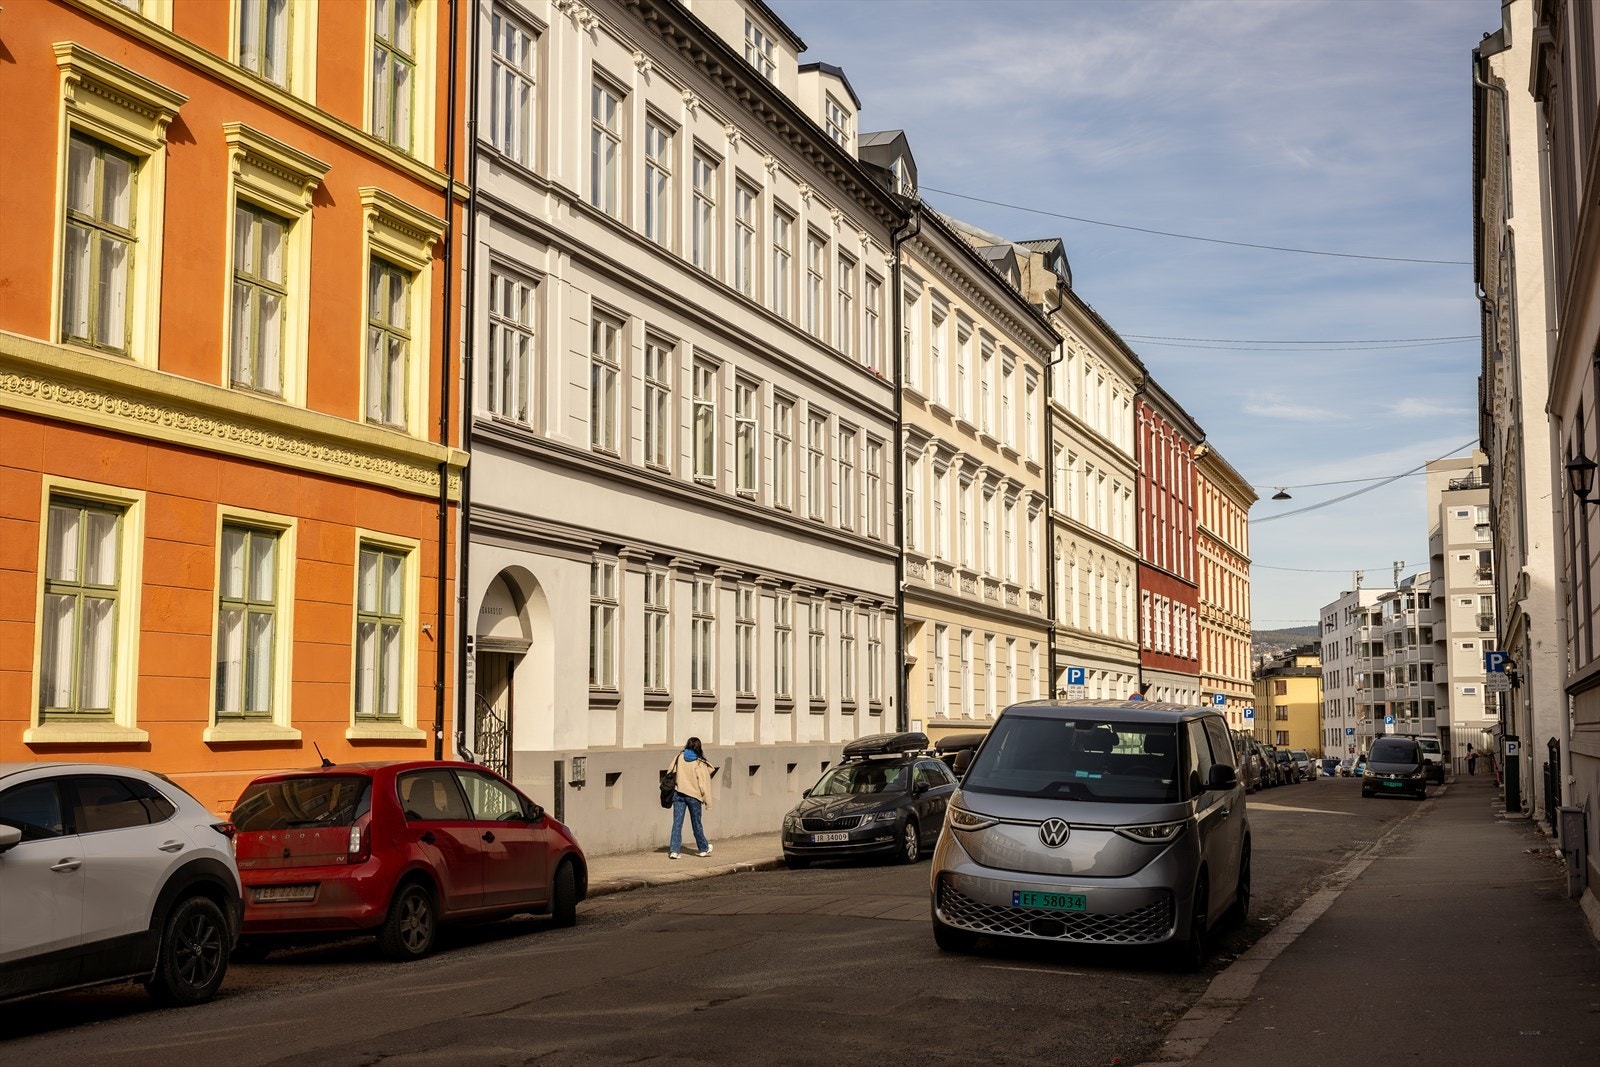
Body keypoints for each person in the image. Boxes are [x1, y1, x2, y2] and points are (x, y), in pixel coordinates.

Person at [667, 736, 714, 860]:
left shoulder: (679, 757)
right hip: (694, 796)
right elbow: (704, 784)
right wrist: (708, 802)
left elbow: (670, 772)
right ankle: (703, 848)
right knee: (696, 823)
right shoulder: (699, 763)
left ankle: (674, 851)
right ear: (699, 747)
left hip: (678, 794)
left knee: (677, 823)